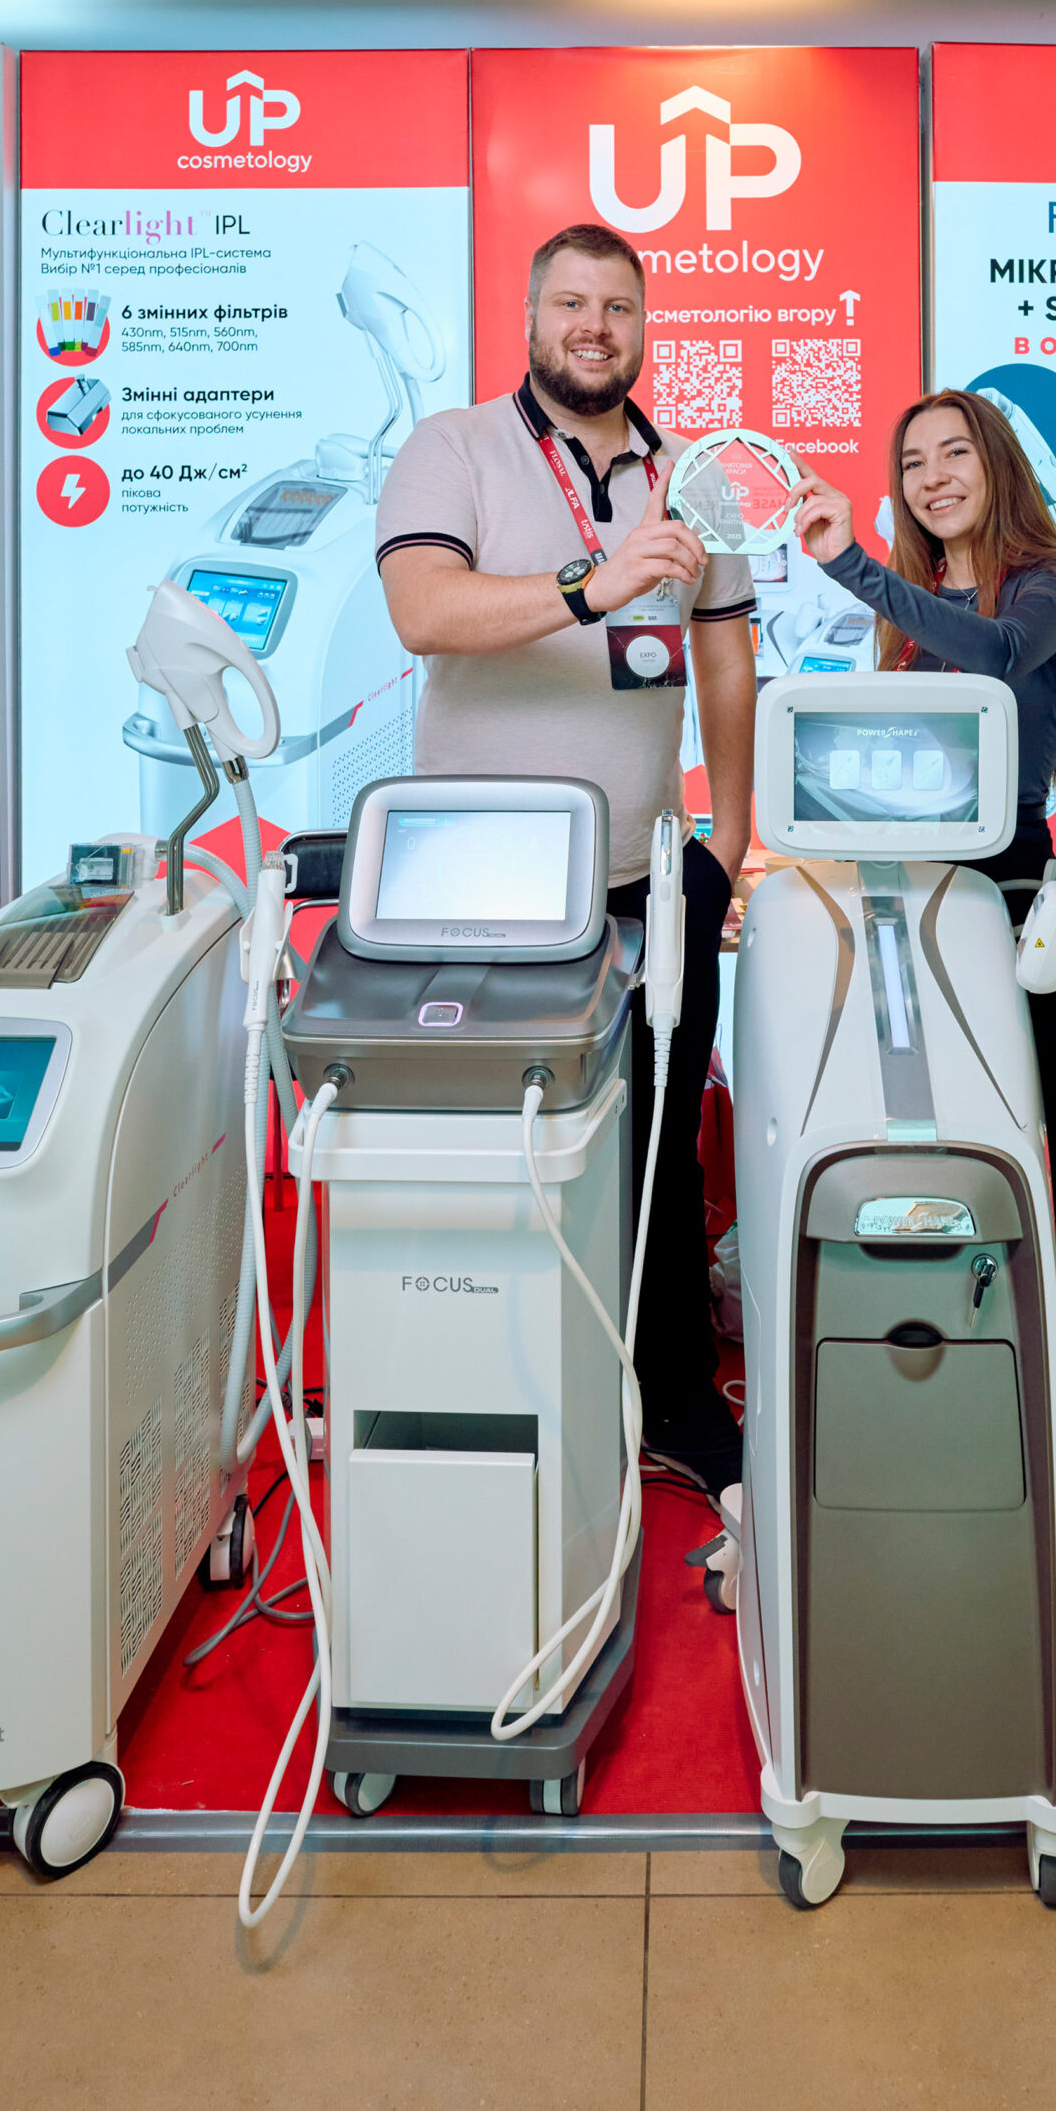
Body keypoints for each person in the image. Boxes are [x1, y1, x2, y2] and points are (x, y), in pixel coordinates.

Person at [374, 221, 757, 1493]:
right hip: (474, 886)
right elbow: (425, 610)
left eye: (617, 307)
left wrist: (728, 832)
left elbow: (724, 653)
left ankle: (670, 1397)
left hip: (646, 875)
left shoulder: (689, 474)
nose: (594, 326)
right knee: (492, 1143)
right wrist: (591, 582)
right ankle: (492, 1387)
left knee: (658, 1144)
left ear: (643, 327)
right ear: (532, 318)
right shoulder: (452, 448)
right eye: (571, 304)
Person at [792, 386, 1056, 1459]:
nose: (932, 478)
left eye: (954, 453)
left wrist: (851, 563)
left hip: (1005, 899)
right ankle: (935, 1404)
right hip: (909, 900)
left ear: (996, 461)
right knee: (923, 1151)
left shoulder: (1050, 584)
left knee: (1028, 1164)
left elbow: (995, 654)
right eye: (913, 462)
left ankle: (1048, 1439)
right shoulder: (918, 603)